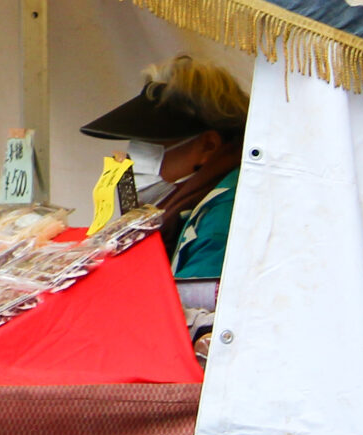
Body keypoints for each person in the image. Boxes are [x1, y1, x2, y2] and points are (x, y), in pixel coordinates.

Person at [77, 54, 250, 285]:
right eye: (134, 145)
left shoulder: (224, 217)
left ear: (208, 146)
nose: (133, 159)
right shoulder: (188, 204)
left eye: (149, 146)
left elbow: (190, 309)